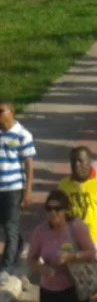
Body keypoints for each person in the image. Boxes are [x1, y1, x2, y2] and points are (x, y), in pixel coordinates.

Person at [58, 147, 97, 302]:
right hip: (76, 248)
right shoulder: (64, 185)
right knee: (84, 289)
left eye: (81, 161)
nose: (77, 165)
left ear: (90, 162)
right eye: (73, 161)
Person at [28, 190, 97, 302]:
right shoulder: (40, 231)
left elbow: (92, 253)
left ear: (66, 210)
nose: (53, 213)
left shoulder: (76, 227)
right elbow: (31, 259)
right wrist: (42, 268)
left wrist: (72, 257)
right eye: (49, 209)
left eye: (58, 209)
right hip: (48, 291)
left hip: (74, 288)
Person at [0, 101, 35, 278]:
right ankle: (17, 247)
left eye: (1, 111)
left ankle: (7, 266)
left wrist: (28, 191)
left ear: (11, 112)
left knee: (10, 227)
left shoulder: (23, 135)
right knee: (7, 226)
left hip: (13, 188)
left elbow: (29, 164)